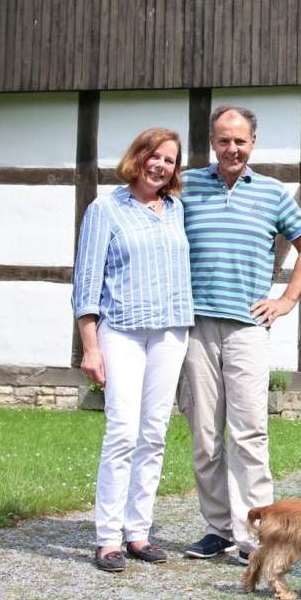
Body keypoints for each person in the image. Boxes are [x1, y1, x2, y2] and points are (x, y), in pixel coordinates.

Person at [178, 105, 301, 562]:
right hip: (195, 325)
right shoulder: (186, 186)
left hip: (247, 328)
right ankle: (218, 528)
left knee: (249, 433)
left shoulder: (274, 194)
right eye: (224, 140)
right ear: (211, 143)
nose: (232, 148)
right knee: (204, 435)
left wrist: (286, 300)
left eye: (240, 141)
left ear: (253, 143)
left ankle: (258, 534)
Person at [72, 126, 194, 573]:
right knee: (123, 431)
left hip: (170, 332)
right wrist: (90, 346)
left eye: (171, 160)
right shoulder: (105, 209)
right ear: (138, 156)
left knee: (155, 433)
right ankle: (107, 538)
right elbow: (86, 282)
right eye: (156, 156)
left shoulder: (177, 210)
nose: (162, 166)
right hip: (121, 331)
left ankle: (138, 532)